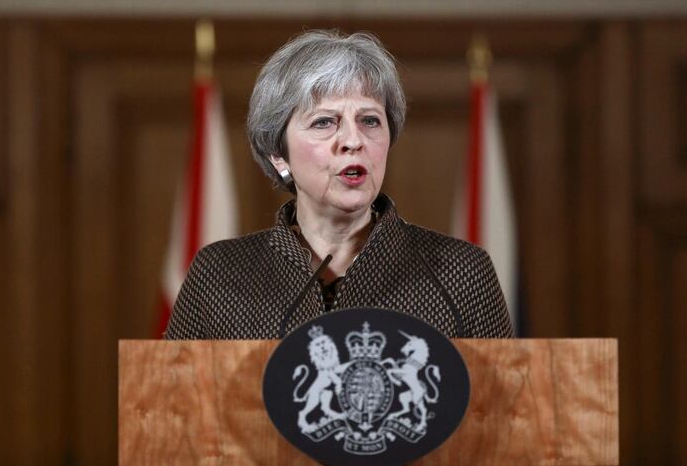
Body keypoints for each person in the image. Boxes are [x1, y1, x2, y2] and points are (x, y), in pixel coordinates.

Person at [165, 30, 513, 340]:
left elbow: (506, 409)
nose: (353, 140)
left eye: (370, 120)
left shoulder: (462, 271)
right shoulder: (219, 274)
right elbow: (169, 408)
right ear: (278, 154)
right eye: (324, 122)